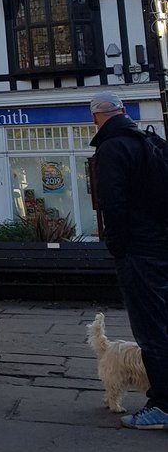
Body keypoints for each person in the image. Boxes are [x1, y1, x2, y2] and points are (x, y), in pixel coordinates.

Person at [90, 90, 168, 429]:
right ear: (124, 110)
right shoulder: (151, 142)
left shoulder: (112, 149)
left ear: (94, 117)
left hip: (139, 249)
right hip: (161, 243)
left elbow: (114, 205)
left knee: (151, 332)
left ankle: (162, 406)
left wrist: (117, 247)